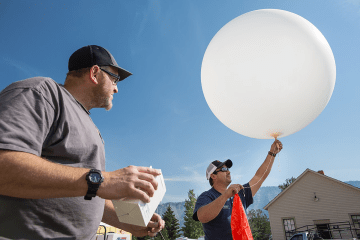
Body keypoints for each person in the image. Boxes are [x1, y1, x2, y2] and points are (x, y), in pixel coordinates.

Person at [0, 45, 165, 239]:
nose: (116, 88)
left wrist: (128, 222)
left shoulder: (91, 126)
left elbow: (86, 192)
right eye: (114, 78)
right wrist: (103, 180)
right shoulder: (41, 93)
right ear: (95, 73)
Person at [193, 139, 283, 240]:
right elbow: (202, 217)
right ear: (213, 176)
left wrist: (272, 153)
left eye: (228, 169)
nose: (228, 172)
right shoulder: (207, 196)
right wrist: (225, 195)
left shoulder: (239, 193)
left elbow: (259, 177)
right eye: (224, 169)